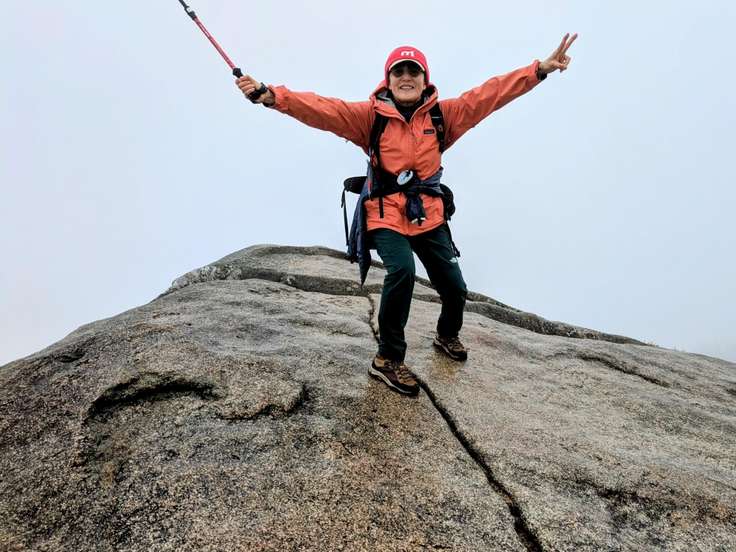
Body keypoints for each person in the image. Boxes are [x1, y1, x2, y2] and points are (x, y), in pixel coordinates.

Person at [236, 34, 578, 396]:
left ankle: (446, 335)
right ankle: (387, 358)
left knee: (455, 287)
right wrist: (272, 96)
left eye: (413, 71)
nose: (406, 78)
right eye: (398, 71)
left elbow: (488, 96)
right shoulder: (369, 117)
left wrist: (538, 70)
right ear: (388, 79)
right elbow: (323, 109)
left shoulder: (443, 116)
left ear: (424, 78)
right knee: (401, 271)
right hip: (385, 214)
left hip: (428, 215)